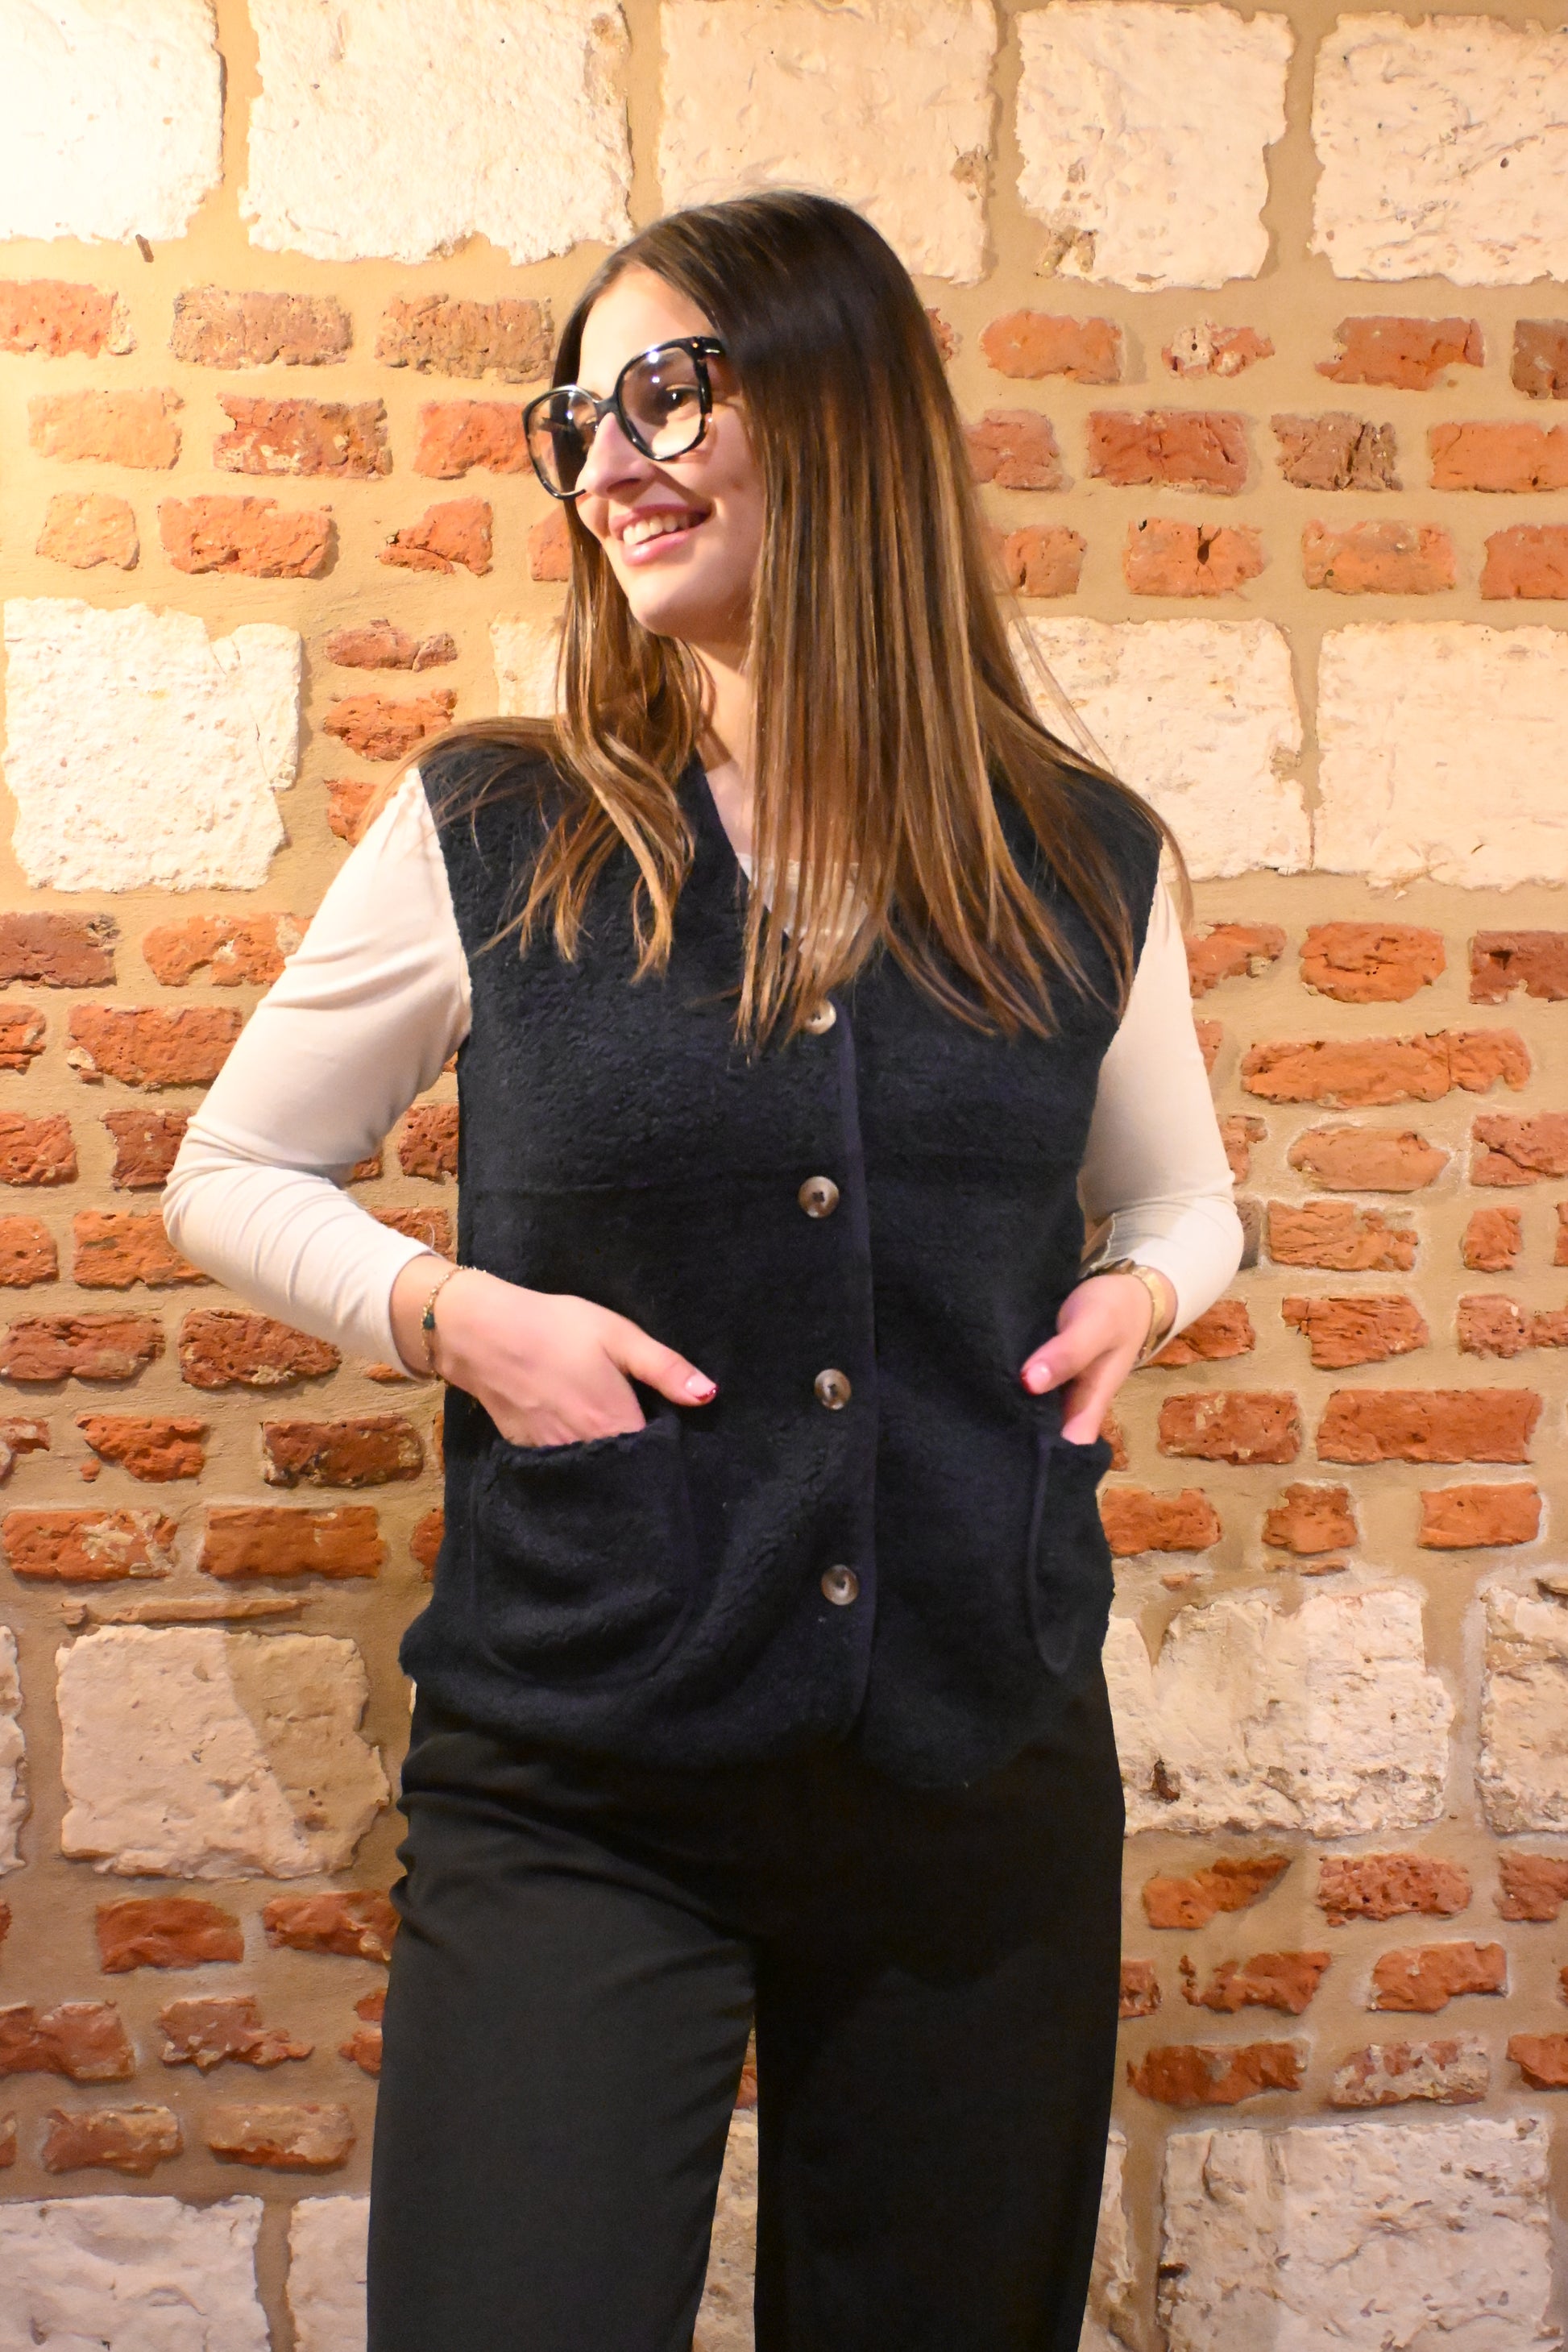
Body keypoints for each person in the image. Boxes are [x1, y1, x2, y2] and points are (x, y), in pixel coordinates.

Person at [164, 190, 1242, 2352]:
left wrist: (1142, 1300)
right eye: (577, 418)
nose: (608, 463)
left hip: (975, 1765)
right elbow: (232, 1171)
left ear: (844, 412)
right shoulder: (498, 823)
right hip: (585, 1777)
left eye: (664, 393)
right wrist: (457, 1319)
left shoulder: (1076, 856)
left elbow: (1182, 1205)